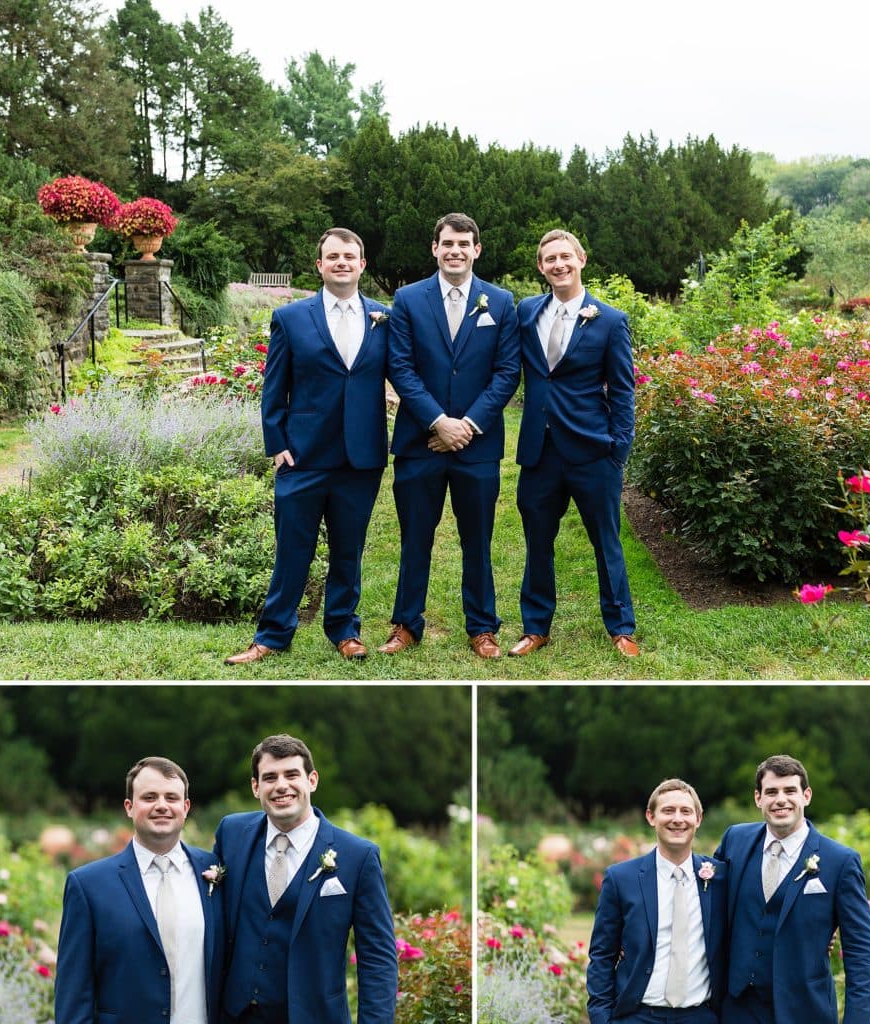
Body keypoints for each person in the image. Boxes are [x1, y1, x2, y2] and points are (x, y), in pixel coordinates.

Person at [225, 228, 391, 665]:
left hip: (361, 457)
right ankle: (273, 635)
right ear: (319, 265)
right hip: (303, 456)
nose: (341, 262)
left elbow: (404, 378)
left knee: (348, 550)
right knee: (293, 550)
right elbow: (273, 387)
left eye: (349, 256)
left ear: (362, 264)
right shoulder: (292, 318)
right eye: (332, 256)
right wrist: (277, 443)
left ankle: (344, 630)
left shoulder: (383, 317)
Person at [378, 212, 521, 659]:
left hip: (477, 446)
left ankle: (482, 627)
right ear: (434, 249)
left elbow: (507, 371)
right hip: (420, 442)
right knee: (415, 536)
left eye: (464, 244)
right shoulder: (408, 299)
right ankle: (406, 625)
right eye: (447, 243)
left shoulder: (499, 302)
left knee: (477, 539)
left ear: (476, 250)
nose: (455, 250)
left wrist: (468, 426)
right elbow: (400, 366)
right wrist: (438, 421)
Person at [507, 229, 639, 659]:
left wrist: (618, 448)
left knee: (606, 540)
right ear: (541, 268)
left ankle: (621, 627)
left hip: (592, 450)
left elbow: (622, 391)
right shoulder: (526, 311)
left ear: (581, 259)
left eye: (565, 256)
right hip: (538, 451)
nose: (558, 264)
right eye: (549, 259)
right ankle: (535, 627)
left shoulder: (610, 320)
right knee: (537, 541)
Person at [214, 733, 397, 1024]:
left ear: (311, 780)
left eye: (291, 775)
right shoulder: (231, 833)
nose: (281, 786)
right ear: (255, 786)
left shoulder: (357, 856)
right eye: (270, 777)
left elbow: (378, 958)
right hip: (234, 1015)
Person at [55, 756, 225, 1024]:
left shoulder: (215, 871)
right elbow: (74, 992)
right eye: (149, 797)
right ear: (129, 807)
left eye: (171, 797)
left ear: (186, 806)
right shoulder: (87, 885)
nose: (161, 806)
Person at [714, 754, 870, 1024]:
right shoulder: (735, 841)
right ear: (758, 798)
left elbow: (862, 953)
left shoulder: (840, 861)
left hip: (804, 1010)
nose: (781, 800)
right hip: (736, 1009)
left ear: (807, 795)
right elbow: (704, 900)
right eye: (771, 792)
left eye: (790, 790)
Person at [587, 778, 727, 1024]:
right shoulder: (621, 878)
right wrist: (602, 1017)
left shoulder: (721, 877)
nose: (677, 819)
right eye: (668, 810)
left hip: (700, 1015)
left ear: (699, 818)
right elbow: (602, 955)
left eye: (686, 811)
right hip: (637, 1015)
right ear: (651, 817)